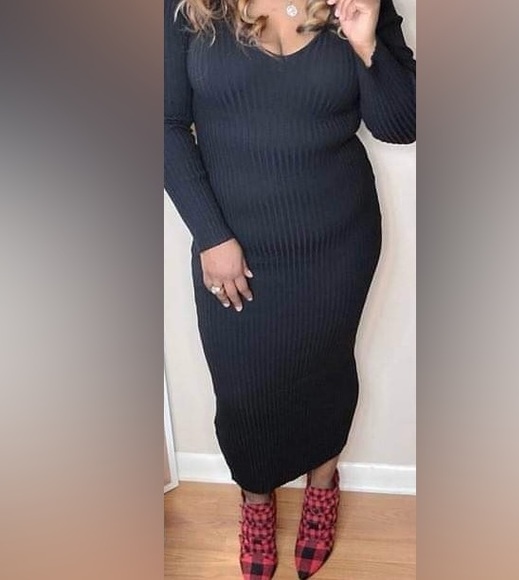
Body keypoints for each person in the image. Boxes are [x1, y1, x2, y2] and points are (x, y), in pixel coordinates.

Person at [164, 0, 415, 577]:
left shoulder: (359, 3)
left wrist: (366, 44)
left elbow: (400, 125)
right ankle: (256, 497)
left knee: (325, 370)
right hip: (231, 249)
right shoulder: (188, 8)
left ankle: (322, 484)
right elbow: (166, 124)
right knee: (243, 388)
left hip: (338, 242)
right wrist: (211, 235)